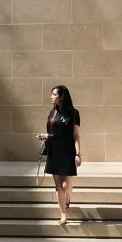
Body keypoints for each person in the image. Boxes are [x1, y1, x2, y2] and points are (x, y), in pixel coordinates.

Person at [37, 85, 81, 225]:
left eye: (54, 94)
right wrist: (45, 136)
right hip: (54, 152)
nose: (51, 96)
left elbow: (76, 135)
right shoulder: (52, 113)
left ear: (61, 96)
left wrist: (78, 154)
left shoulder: (73, 113)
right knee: (58, 186)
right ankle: (63, 214)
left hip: (68, 152)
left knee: (66, 185)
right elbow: (53, 133)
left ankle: (68, 196)